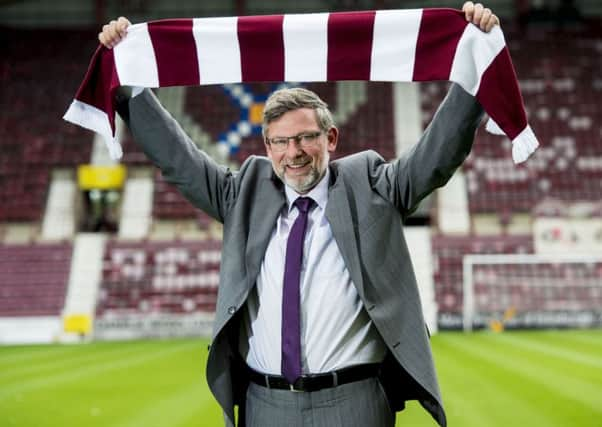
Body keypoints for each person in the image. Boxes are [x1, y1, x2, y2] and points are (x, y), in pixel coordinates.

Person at [100, 2, 499, 426]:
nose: (293, 154)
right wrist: (128, 81)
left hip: (354, 402)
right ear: (267, 146)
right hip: (265, 402)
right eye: (279, 142)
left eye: (305, 138)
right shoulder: (244, 192)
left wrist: (475, 58)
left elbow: (437, 155)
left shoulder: (372, 184)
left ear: (330, 138)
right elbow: (178, 160)